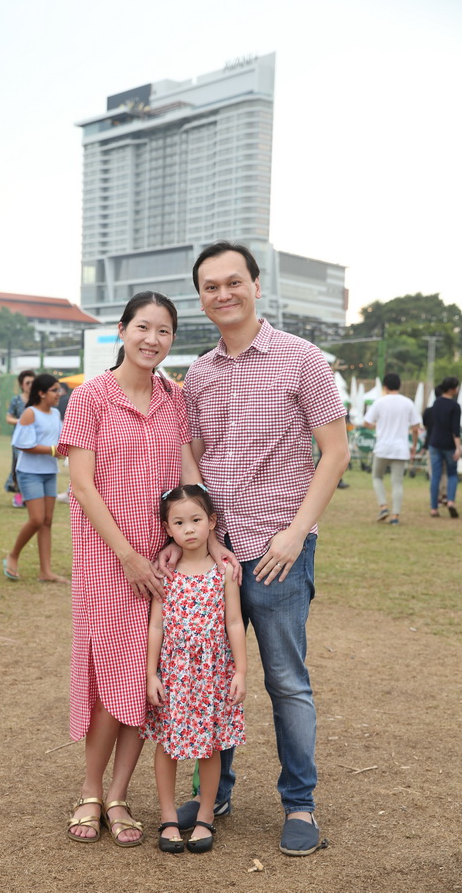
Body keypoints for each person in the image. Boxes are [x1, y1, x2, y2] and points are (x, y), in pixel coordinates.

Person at [166, 241, 350, 857]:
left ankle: (300, 804)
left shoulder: (302, 358)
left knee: (285, 681)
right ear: (201, 298)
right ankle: (213, 795)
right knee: (212, 673)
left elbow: (335, 453)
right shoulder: (199, 373)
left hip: (278, 553)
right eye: (210, 286)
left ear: (256, 286)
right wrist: (206, 536)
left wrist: (296, 533)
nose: (223, 294)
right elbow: (192, 454)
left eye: (233, 282)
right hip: (216, 555)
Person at [58, 291, 237, 848]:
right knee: (109, 679)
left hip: (163, 562)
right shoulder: (90, 397)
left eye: (163, 331)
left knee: (144, 682)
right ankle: (90, 791)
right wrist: (127, 555)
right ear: (122, 330)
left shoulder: (174, 398)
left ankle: (118, 796)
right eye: (142, 327)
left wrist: (211, 541)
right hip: (106, 561)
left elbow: (189, 477)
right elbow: (82, 486)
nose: (151, 339)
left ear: (172, 340)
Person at [141, 484, 246, 854]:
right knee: (167, 744)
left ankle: (205, 815)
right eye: (179, 522)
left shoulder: (224, 571)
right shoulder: (165, 572)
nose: (188, 529)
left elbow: (234, 622)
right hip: (174, 675)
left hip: (211, 675)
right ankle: (169, 816)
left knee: (210, 746)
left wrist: (241, 671)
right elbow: (156, 625)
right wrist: (151, 674)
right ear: (167, 529)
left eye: (196, 520)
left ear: (212, 522)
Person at [3, 374, 64, 582]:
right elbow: (22, 443)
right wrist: (53, 450)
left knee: (47, 521)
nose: (59, 394)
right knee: (37, 519)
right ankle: (13, 555)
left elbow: (60, 441)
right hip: (29, 473)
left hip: (49, 472)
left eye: (59, 390)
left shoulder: (56, 414)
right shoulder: (30, 413)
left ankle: (45, 572)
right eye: (54, 390)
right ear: (41, 393)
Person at [363, 373, 421, 525]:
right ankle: (395, 516)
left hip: (382, 447)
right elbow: (416, 427)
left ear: (385, 386)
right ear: (399, 385)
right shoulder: (408, 403)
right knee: (397, 483)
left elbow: (366, 422)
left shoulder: (380, 402)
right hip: (401, 449)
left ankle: (383, 506)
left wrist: (378, 426)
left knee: (377, 477)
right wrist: (414, 445)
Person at [427, 376, 461, 518]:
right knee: (452, 474)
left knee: (435, 476)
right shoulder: (455, 406)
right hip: (449, 445)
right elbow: (455, 429)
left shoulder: (436, 403)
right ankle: (450, 501)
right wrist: (458, 447)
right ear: (452, 389)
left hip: (435, 443)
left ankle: (434, 508)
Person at [4, 369, 36, 508]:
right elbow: (8, 418)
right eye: (28, 383)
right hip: (19, 439)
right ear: (22, 385)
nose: (31, 385)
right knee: (18, 465)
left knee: (33, 466)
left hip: (36, 438)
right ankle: (18, 493)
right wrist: (21, 422)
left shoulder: (38, 400)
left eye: (33, 382)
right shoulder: (16, 400)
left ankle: (31, 495)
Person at [422, 386, 447, 505]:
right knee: (444, 472)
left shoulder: (428, 411)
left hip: (431, 444)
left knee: (433, 473)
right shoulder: (449, 410)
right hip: (447, 445)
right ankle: (444, 495)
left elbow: (425, 426)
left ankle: (436, 497)